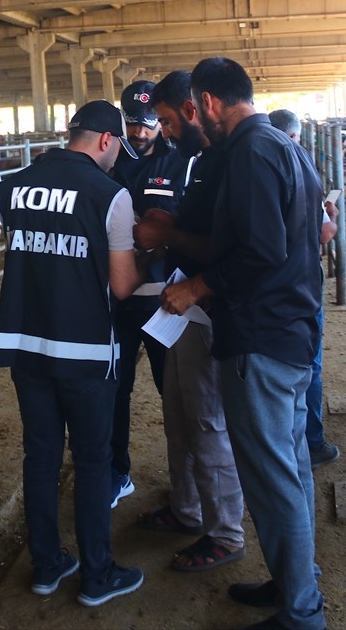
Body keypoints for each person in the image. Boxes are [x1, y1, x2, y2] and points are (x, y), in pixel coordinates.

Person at [162, 57, 326, 630]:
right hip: (290, 329)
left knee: (273, 476)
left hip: (261, 336)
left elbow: (261, 251)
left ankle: (302, 611)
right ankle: (293, 583)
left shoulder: (253, 153)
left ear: (206, 102)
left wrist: (197, 289)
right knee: (292, 467)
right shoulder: (282, 145)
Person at [0, 99, 146, 608]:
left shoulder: (13, 187)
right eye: (117, 146)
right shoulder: (110, 195)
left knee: (40, 455)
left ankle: (46, 565)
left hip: (25, 343)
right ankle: (98, 575)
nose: (117, 156)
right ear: (106, 140)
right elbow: (122, 288)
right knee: (93, 460)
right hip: (85, 350)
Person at [132, 70, 247, 573]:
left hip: (208, 305)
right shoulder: (203, 160)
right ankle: (187, 508)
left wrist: (169, 235)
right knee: (177, 410)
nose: (165, 131)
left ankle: (225, 532)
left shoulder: (236, 159)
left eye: (167, 121)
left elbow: (238, 247)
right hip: (183, 305)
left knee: (205, 418)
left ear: (194, 108)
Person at [107, 80, 190, 509]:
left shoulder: (181, 163)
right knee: (114, 388)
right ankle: (116, 472)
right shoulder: (110, 162)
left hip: (165, 298)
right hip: (118, 298)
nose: (142, 132)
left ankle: (187, 483)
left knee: (173, 391)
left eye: (151, 123)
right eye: (134, 123)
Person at [267, 108, 341, 469]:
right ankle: (311, 441)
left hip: (270, 282)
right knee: (308, 360)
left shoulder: (257, 165)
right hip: (304, 277)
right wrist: (332, 214)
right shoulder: (302, 166)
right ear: (295, 136)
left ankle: (281, 438)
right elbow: (325, 233)